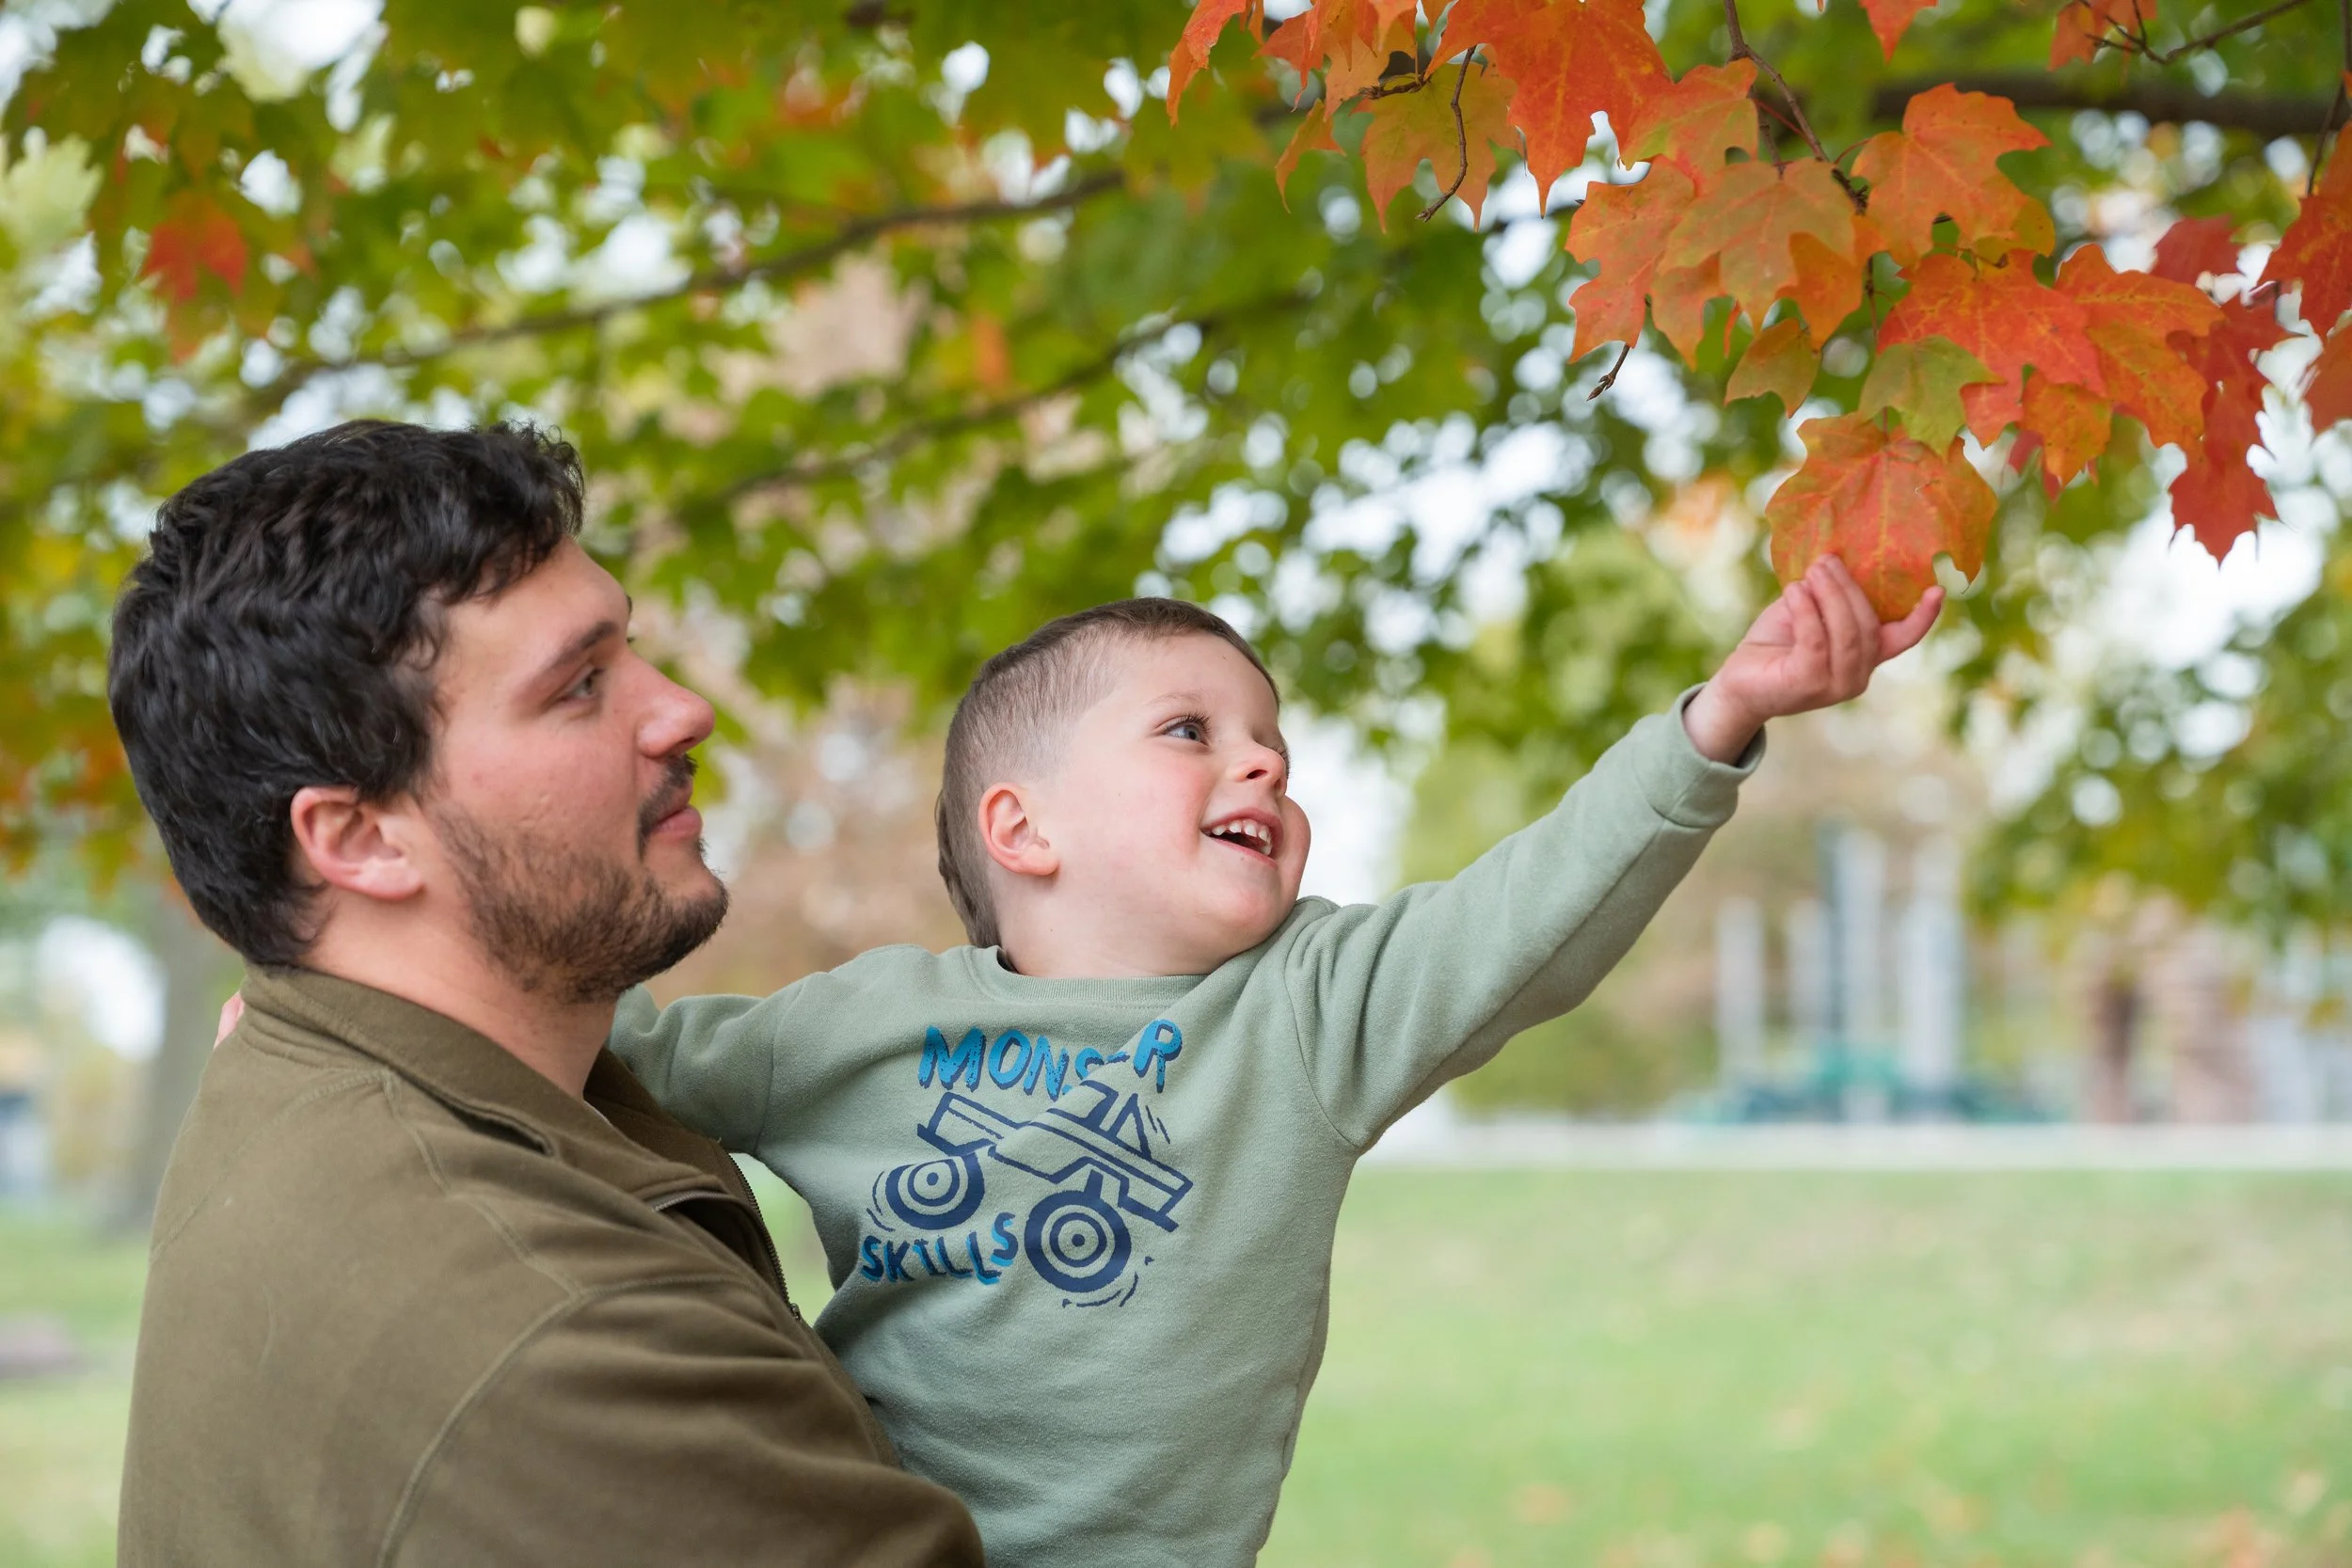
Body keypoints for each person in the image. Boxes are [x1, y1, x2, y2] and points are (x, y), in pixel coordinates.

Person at [610, 570, 1940, 1566]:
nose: (1260, 759)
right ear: (1023, 825)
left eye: (1275, 749)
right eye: (1190, 729)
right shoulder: (857, 1025)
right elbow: (613, 1056)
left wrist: (1713, 723)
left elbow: (1524, 917)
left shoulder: (1307, 1005)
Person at [107, 420, 983, 1567]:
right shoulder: (565, 1333)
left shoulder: (303, 1059)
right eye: (579, 686)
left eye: (629, 652)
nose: (681, 711)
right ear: (361, 836)